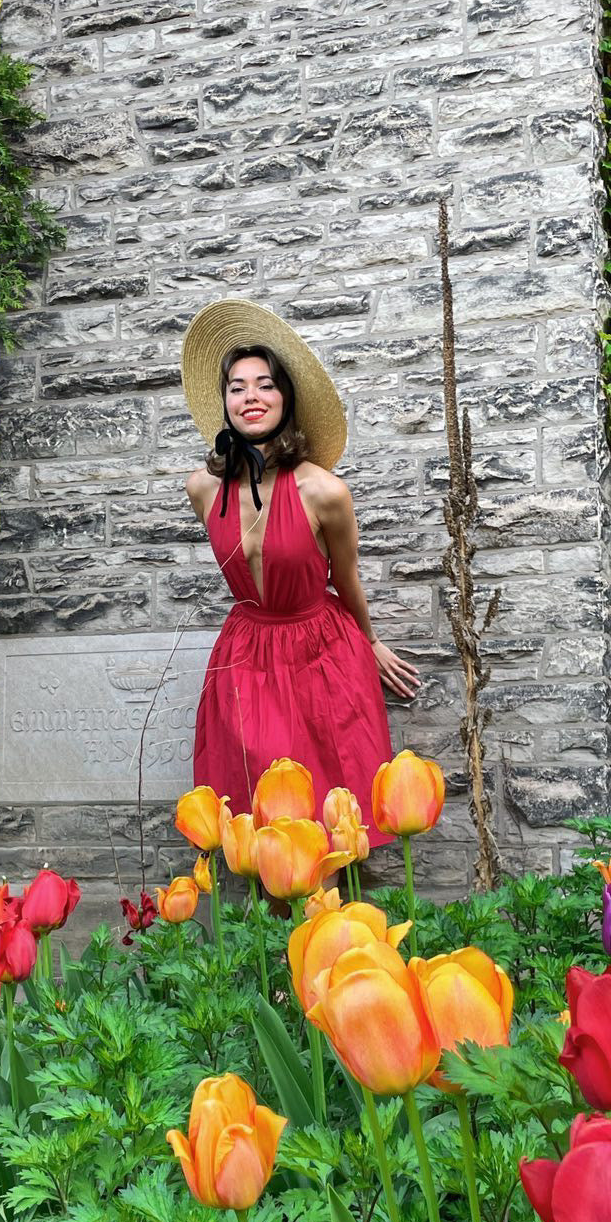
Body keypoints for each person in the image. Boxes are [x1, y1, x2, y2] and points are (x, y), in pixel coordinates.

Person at [181, 298, 421, 844]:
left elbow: (347, 578)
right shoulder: (203, 489)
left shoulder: (325, 491)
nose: (251, 397)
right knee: (256, 817)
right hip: (245, 656)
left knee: (333, 811)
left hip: (322, 654)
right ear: (223, 402)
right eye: (237, 386)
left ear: (285, 399)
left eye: (265, 384)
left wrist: (370, 641)